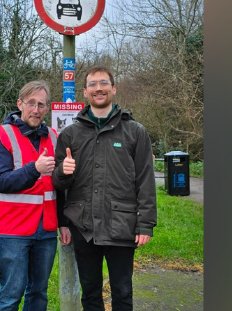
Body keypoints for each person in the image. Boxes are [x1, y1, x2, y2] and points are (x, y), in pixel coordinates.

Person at [52, 66, 157, 311]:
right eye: (92, 84)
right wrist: (62, 172)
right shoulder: (70, 134)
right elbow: (58, 184)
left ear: (113, 88)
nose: (98, 88)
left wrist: (146, 223)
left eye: (103, 83)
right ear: (85, 92)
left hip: (122, 224)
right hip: (83, 225)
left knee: (122, 292)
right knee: (90, 292)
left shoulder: (135, 132)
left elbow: (146, 180)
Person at [0, 80, 71, 311]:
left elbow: (59, 186)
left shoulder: (54, 137)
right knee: (10, 295)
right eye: (31, 103)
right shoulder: (1, 135)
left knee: (38, 293)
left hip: (46, 228)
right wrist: (35, 169)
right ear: (19, 104)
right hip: (13, 229)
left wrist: (63, 223)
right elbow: (2, 181)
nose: (36, 110)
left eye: (41, 105)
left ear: (47, 109)